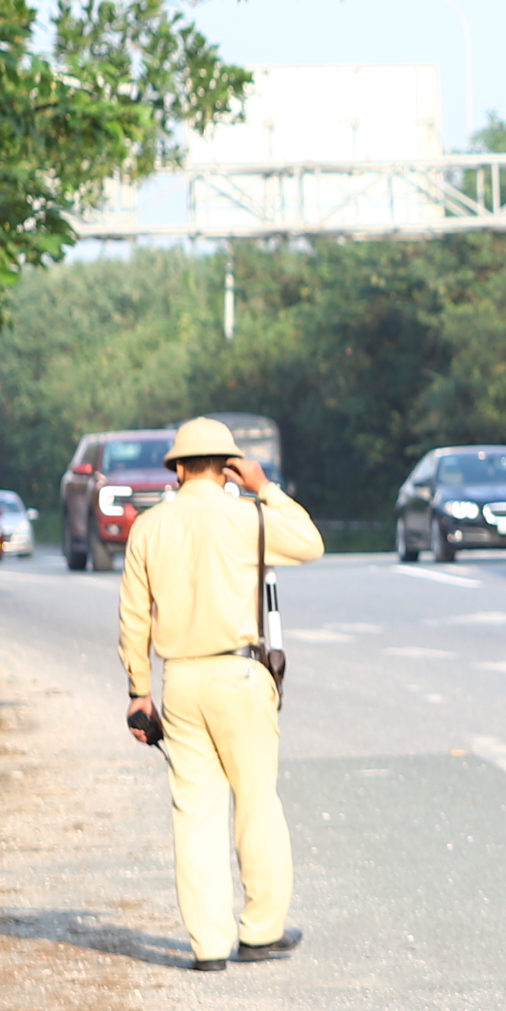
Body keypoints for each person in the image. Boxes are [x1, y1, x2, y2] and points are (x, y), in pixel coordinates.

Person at [116, 415, 323, 973]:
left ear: (178, 469)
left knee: (195, 812)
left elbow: (134, 618)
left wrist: (139, 692)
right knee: (256, 802)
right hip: (241, 674)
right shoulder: (249, 518)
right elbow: (310, 543)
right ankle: (261, 931)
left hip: (180, 680)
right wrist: (265, 488)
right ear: (228, 467)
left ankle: (208, 945)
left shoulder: (149, 528)